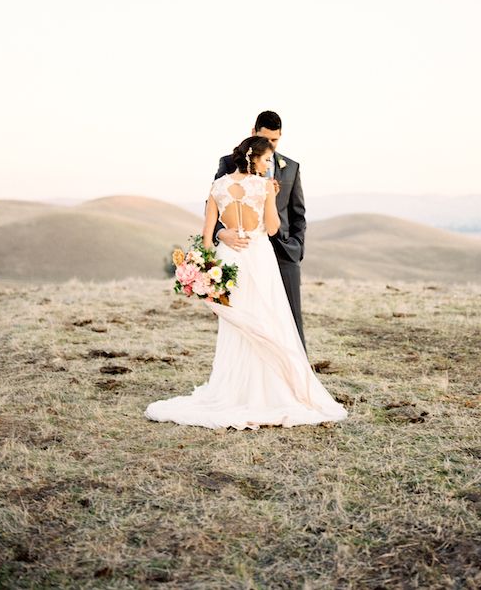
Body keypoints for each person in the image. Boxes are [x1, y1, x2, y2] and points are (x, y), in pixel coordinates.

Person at [144, 136, 347, 430]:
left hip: (229, 259)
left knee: (236, 326)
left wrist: (206, 266)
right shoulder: (263, 186)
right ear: (254, 159)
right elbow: (274, 228)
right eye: (266, 160)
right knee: (267, 317)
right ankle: (269, 390)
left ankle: (233, 390)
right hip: (258, 256)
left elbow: (207, 235)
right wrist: (272, 198)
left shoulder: (217, 186)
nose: (268, 165)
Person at [213, 111, 307, 350]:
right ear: (253, 133)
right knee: (249, 315)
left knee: (291, 319)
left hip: (285, 253)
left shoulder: (292, 167)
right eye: (265, 140)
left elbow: (298, 213)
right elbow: (213, 204)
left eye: (275, 141)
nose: (270, 147)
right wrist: (220, 233)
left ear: (280, 136)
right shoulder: (228, 163)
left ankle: (298, 378)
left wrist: (296, 247)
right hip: (246, 253)